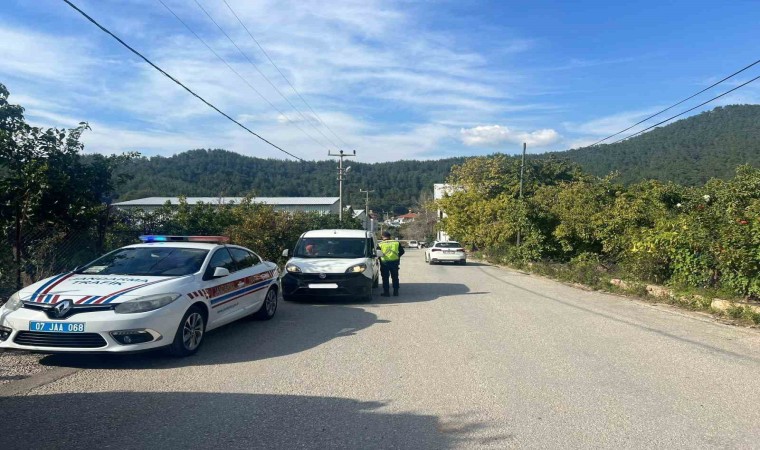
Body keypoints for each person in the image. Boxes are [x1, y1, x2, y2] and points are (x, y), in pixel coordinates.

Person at [378, 230, 404, 297]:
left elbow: (378, 254)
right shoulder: (396, 243)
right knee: (395, 277)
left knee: (385, 278)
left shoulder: (380, 244)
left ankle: (386, 293)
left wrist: (380, 259)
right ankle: (396, 292)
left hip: (384, 263)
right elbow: (402, 251)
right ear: (390, 236)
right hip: (395, 262)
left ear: (382, 237)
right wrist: (397, 256)